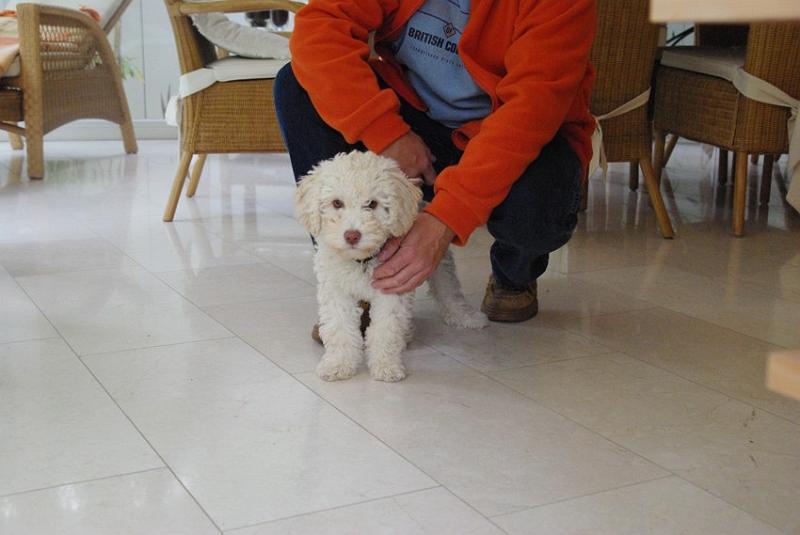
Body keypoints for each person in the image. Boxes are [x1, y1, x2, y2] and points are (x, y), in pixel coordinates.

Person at [274, 0, 597, 329]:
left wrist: (446, 218)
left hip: (508, 134)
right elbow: (320, 28)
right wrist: (387, 134)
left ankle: (514, 273)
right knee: (297, 86)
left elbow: (531, 110)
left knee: (539, 206)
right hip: (414, 117)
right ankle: (357, 274)